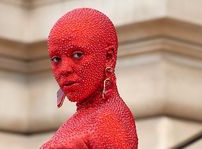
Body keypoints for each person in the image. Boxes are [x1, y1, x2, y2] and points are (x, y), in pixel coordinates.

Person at [41, 8, 138, 149]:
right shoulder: (85, 118)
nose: (64, 69)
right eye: (56, 59)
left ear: (108, 57)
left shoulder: (110, 121)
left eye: (77, 55)